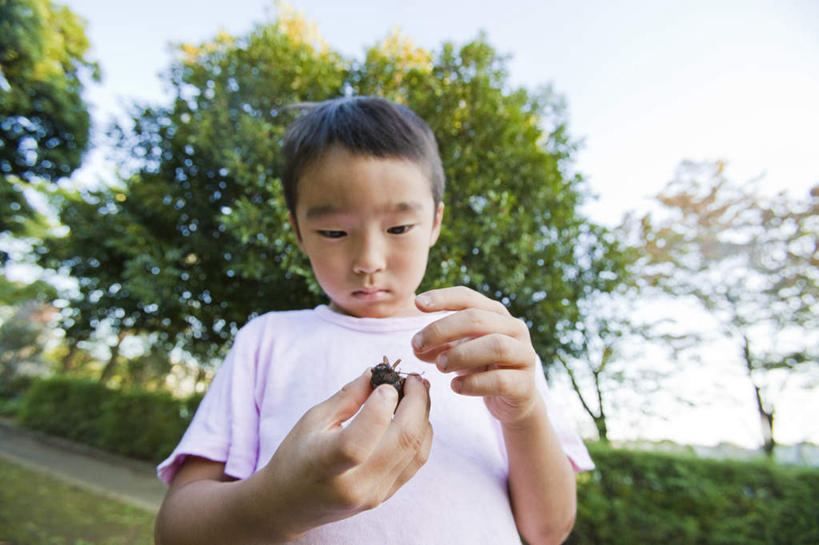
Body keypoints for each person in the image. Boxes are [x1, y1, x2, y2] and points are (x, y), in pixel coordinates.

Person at [154, 96, 594, 545]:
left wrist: (523, 414)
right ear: (298, 231)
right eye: (334, 232)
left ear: (436, 222)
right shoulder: (267, 340)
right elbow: (175, 531)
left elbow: (548, 531)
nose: (368, 261)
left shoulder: (491, 344)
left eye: (399, 228)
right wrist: (277, 503)